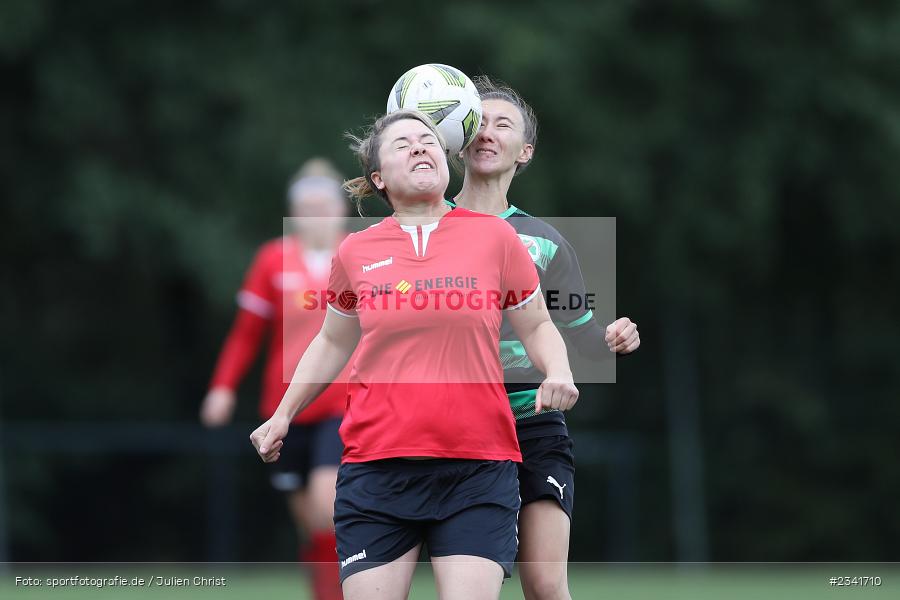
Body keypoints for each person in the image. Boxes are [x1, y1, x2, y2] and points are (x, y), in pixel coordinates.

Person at [250, 109, 579, 600]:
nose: (420, 147)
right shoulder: (356, 251)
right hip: (377, 468)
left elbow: (536, 324)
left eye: (428, 140)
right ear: (378, 176)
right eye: (402, 143)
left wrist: (559, 369)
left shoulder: (496, 237)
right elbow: (332, 342)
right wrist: (283, 414)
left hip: (478, 465)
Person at [451, 76, 640, 600]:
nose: (487, 133)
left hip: (532, 424)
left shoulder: (545, 242)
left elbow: (579, 335)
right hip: (449, 427)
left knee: (546, 582)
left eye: (502, 124)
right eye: (477, 123)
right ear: (458, 138)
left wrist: (613, 338)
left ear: (525, 151)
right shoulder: (426, 225)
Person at [201, 158, 348, 600]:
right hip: (284, 409)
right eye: (309, 207)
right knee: (309, 524)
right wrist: (222, 387)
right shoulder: (271, 259)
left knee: (328, 507)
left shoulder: (358, 253)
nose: (317, 215)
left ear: (340, 209)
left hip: (342, 404)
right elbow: (246, 335)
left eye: (325, 206)